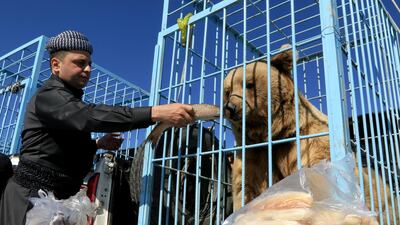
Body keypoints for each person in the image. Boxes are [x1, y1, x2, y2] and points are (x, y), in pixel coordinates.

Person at [0, 30, 195, 225]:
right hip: (31, 200)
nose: (87, 69)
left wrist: (97, 144)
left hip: (57, 201)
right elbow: (88, 116)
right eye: (80, 63)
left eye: (89, 64)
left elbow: (59, 147)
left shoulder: (68, 101)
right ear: (56, 65)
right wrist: (154, 113)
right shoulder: (49, 95)